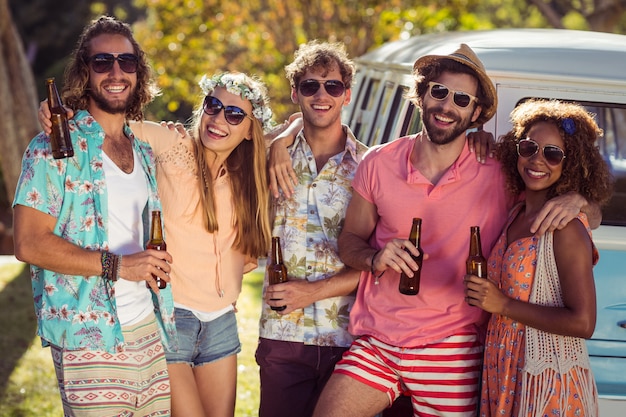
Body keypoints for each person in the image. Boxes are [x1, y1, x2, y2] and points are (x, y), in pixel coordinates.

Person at [313, 44, 601, 417]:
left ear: (476, 112)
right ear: (422, 95)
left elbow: (583, 209)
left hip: (454, 346)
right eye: (439, 91)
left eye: (461, 98)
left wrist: (577, 199)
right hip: (379, 340)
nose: (447, 105)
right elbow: (349, 241)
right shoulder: (378, 162)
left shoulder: (500, 170)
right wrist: (375, 257)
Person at [40, 71, 275, 416]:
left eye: (235, 114)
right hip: (171, 317)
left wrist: (281, 144)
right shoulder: (171, 145)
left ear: (250, 130)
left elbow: (298, 124)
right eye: (213, 105)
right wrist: (56, 112)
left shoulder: (245, 179)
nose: (219, 119)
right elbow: (107, 125)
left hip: (222, 323)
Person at [13, 15, 176, 416]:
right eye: (102, 62)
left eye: (127, 61)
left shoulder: (141, 149)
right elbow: (29, 243)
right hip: (88, 336)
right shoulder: (52, 146)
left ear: (139, 70)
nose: (116, 72)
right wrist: (119, 266)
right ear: (84, 71)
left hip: (148, 331)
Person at [464, 99, 611, 416]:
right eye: (529, 147)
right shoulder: (516, 211)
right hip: (505, 369)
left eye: (553, 153)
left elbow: (584, 323)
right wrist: (478, 134)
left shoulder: (565, 227)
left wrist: (502, 304)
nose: (537, 160)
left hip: (545, 379)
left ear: (569, 162)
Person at [255, 40, 368, 417]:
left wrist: (313, 292)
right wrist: (281, 139)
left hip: (350, 337)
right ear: (295, 94)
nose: (322, 95)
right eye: (310, 86)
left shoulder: (370, 167)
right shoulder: (271, 153)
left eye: (332, 86)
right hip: (283, 334)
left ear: (346, 94)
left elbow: (376, 259)